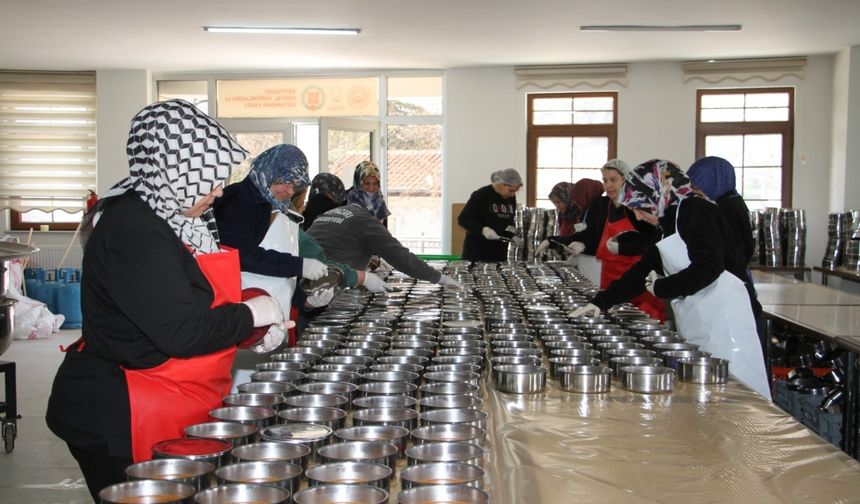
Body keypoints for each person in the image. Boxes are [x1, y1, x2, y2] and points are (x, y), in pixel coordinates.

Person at [46, 100, 287, 501]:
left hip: (168, 394)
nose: (219, 191)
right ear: (174, 169)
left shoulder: (178, 219)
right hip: (120, 409)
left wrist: (250, 330)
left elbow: (189, 300)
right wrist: (247, 317)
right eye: (210, 178)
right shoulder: (134, 228)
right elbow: (180, 332)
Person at [571, 159, 769, 399]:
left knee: (737, 395)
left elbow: (708, 268)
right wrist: (600, 302)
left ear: (659, 194)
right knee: (707, 394)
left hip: (728, 321)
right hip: (703, 316)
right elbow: (640, 272)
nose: (639, 217)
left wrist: (662, 287)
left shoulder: (696, 211)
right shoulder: (668, 223)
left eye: (641, 208)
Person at [551, 160, 663, 320]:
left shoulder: (639, 207)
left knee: (639, 323)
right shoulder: (603, 205)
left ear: (626, 180)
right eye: (605, 180)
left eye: (613, 180)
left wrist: (623, 248)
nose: (608, 185)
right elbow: (592, 233)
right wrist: (568, 242)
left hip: (639, 276)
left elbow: (651, 242)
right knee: (611, 318)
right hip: (610, 274)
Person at [687, 155, 766, 359]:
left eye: (698, 188)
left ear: (714, 181)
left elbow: (725, 256)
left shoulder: (727, 209)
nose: (695, 194)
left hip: (735, 296)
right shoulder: (730, 202)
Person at [307, 203, 463, 288]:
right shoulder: (366, 221)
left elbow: (340, 242)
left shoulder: (334, 212)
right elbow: (400, 257)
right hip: (327, 281)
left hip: (305, 274)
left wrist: (371, 260)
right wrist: (439, 278)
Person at [458, 168, 523, 262]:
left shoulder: (510, 198)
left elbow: (508, 222)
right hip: (477, 253)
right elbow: (463, 219)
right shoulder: (481, 195)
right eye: (510, 190)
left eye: (515, 191)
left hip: (499, 253)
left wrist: (512, 235)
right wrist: (483, 230)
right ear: (501, 184)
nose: (512, 195)